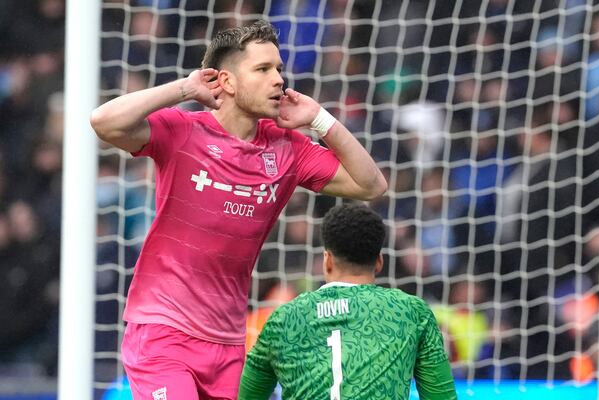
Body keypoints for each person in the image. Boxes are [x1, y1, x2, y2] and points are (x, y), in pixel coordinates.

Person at [90, 20, 387, 400]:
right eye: (263, 70)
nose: (278, 79)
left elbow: (371, 185)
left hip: (229, 343)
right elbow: (103, 121)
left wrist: (319, 119)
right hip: (163, 334)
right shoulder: (183, 131)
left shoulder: (287, 148)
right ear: (227, 81)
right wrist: (184, 88)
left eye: (279, 69)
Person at [238, 204, 457, 400]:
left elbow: (245, 396)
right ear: (379, 263)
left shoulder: (283, 319)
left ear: (328, 260)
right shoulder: (411, 312)